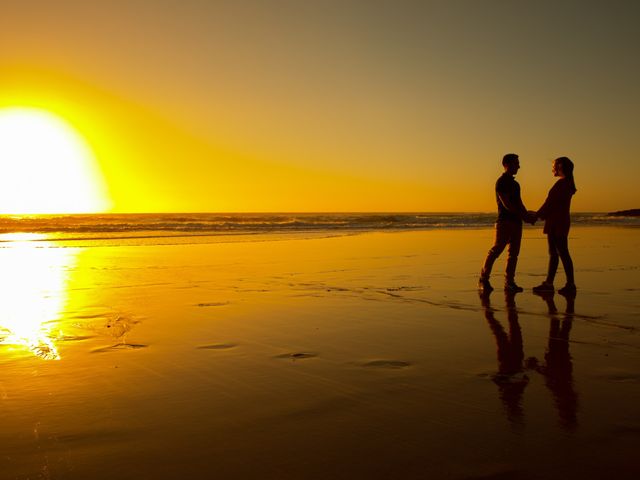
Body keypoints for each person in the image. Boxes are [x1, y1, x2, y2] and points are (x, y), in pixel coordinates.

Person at [479, 153, 535, 292]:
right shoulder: (501, 182)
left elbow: (519, 203)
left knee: (513, 253)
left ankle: (509, 282)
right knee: (496, 250)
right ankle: (483, 278)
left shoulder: (516, 184)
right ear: (507, 164)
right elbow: (506, 204)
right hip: (504, 221)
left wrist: (527, 215)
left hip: (516, 222)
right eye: (516, 163)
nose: (519, 166)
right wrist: (524, 215)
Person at [532, 157, 577, 294]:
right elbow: (551, 204)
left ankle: (568, 284)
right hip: (557, 220)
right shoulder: (567, 183)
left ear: (560, 167)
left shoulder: (563, 184)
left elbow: (550, 204)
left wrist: (536, 215)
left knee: (561, 252)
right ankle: (551, 283)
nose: (552, 168)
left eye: (554, 166)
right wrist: (539, 214)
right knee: (556, 252)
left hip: (558, 221)